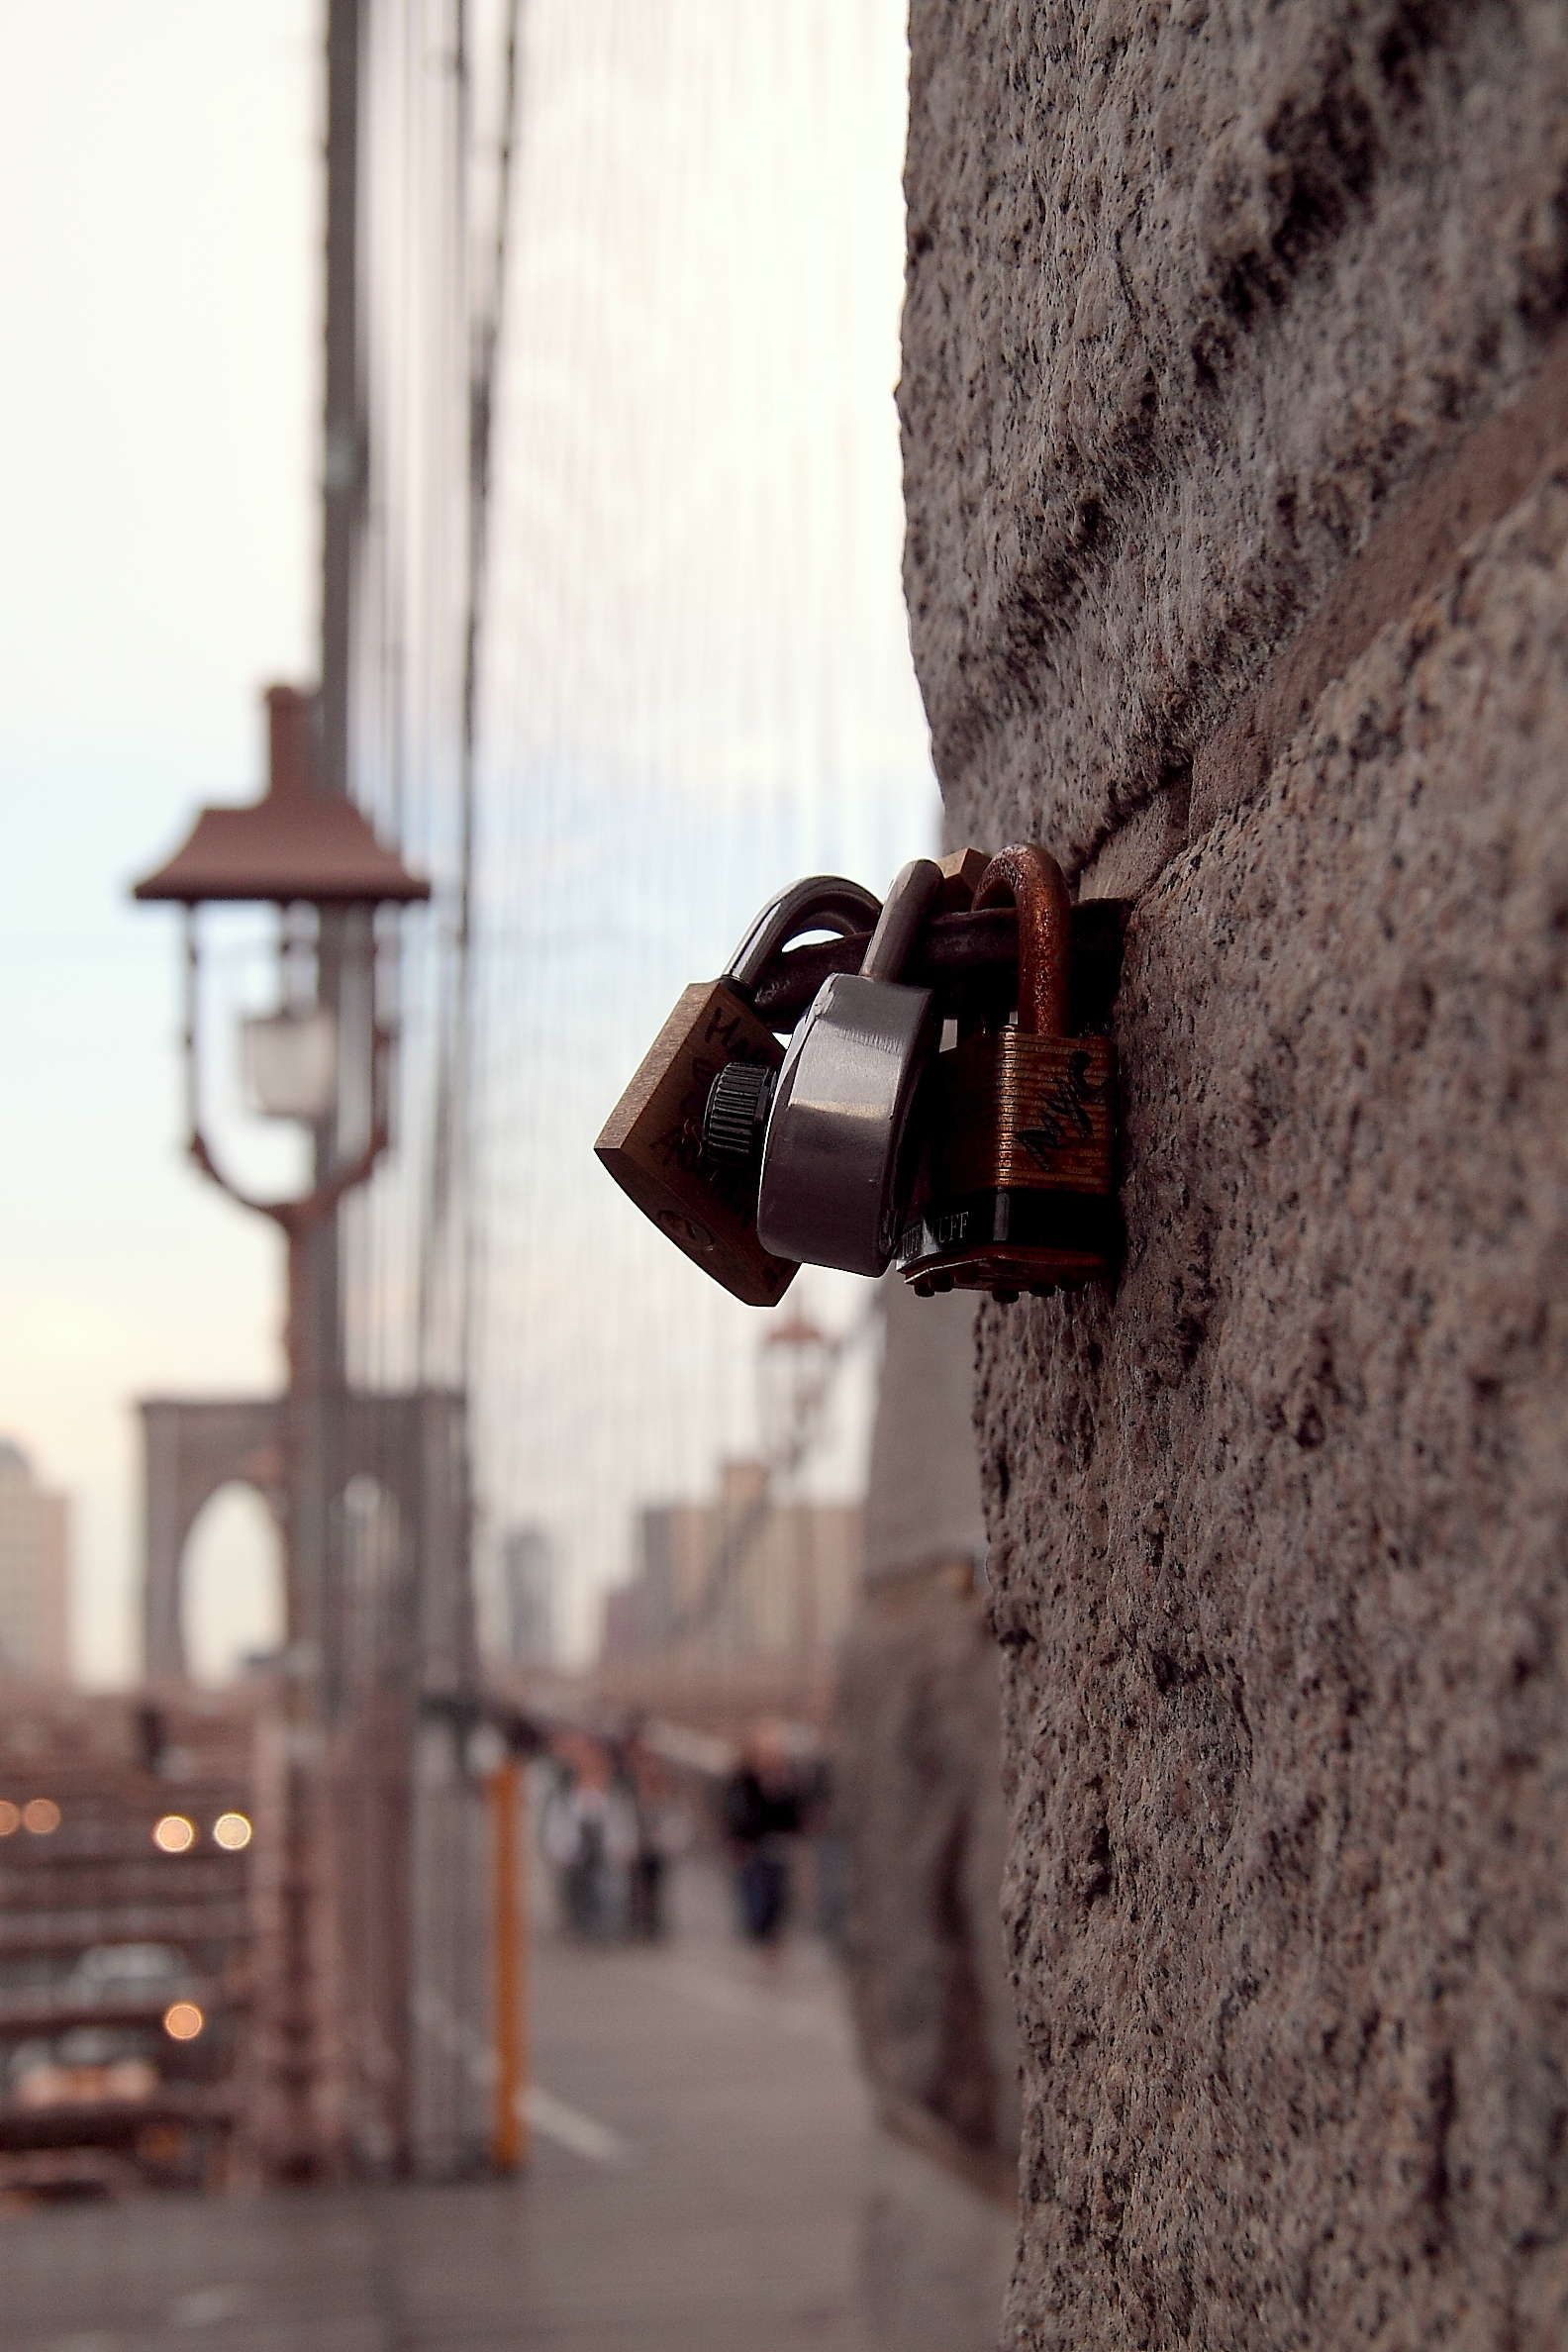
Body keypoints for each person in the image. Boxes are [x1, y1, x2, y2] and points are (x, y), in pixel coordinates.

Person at [721, 1719, 805, 1945]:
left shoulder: (786, 1777)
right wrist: (737, 1837)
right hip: (753, 1841)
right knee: (755, 1888)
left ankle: (770, 1934)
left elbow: (795, 1810)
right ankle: (759, 1933)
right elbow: (735, 1809)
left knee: (777, 1892)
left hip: (778, 1841)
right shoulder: (744, 1777)